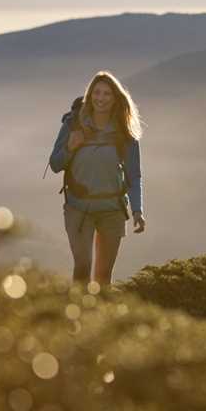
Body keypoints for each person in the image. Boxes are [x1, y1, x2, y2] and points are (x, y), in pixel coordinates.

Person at [49, 71, 145, 286]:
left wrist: (138, 210)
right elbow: (55, 164)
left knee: (103, 277)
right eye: (96, 93)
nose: (100, 98)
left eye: (107, 94)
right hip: (78, 208)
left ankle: (99, 318)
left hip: (112, 210)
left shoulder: (124, 133)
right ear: (89, 95)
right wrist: (70, 148)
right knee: (82, 266)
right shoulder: (73, 125)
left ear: (116, 98)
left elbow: (133, 175)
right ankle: (77, 315)